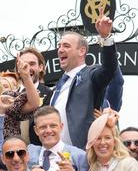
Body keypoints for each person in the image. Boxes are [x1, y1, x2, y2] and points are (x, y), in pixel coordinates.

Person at [50, 13, 117, 149]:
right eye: (59, 46)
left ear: (82, 51)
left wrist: (106, 37)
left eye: (66, 46)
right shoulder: (59, 85)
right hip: (56, 156)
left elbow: (109, 69)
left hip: (82, 155)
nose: (60, 50)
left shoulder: (91, 75)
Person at [17, 47, 54, 145]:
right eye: (23, 63)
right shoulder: (11, 97)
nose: (27, 67)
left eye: (32, 64)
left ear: (41, 67)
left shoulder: (50, 94)